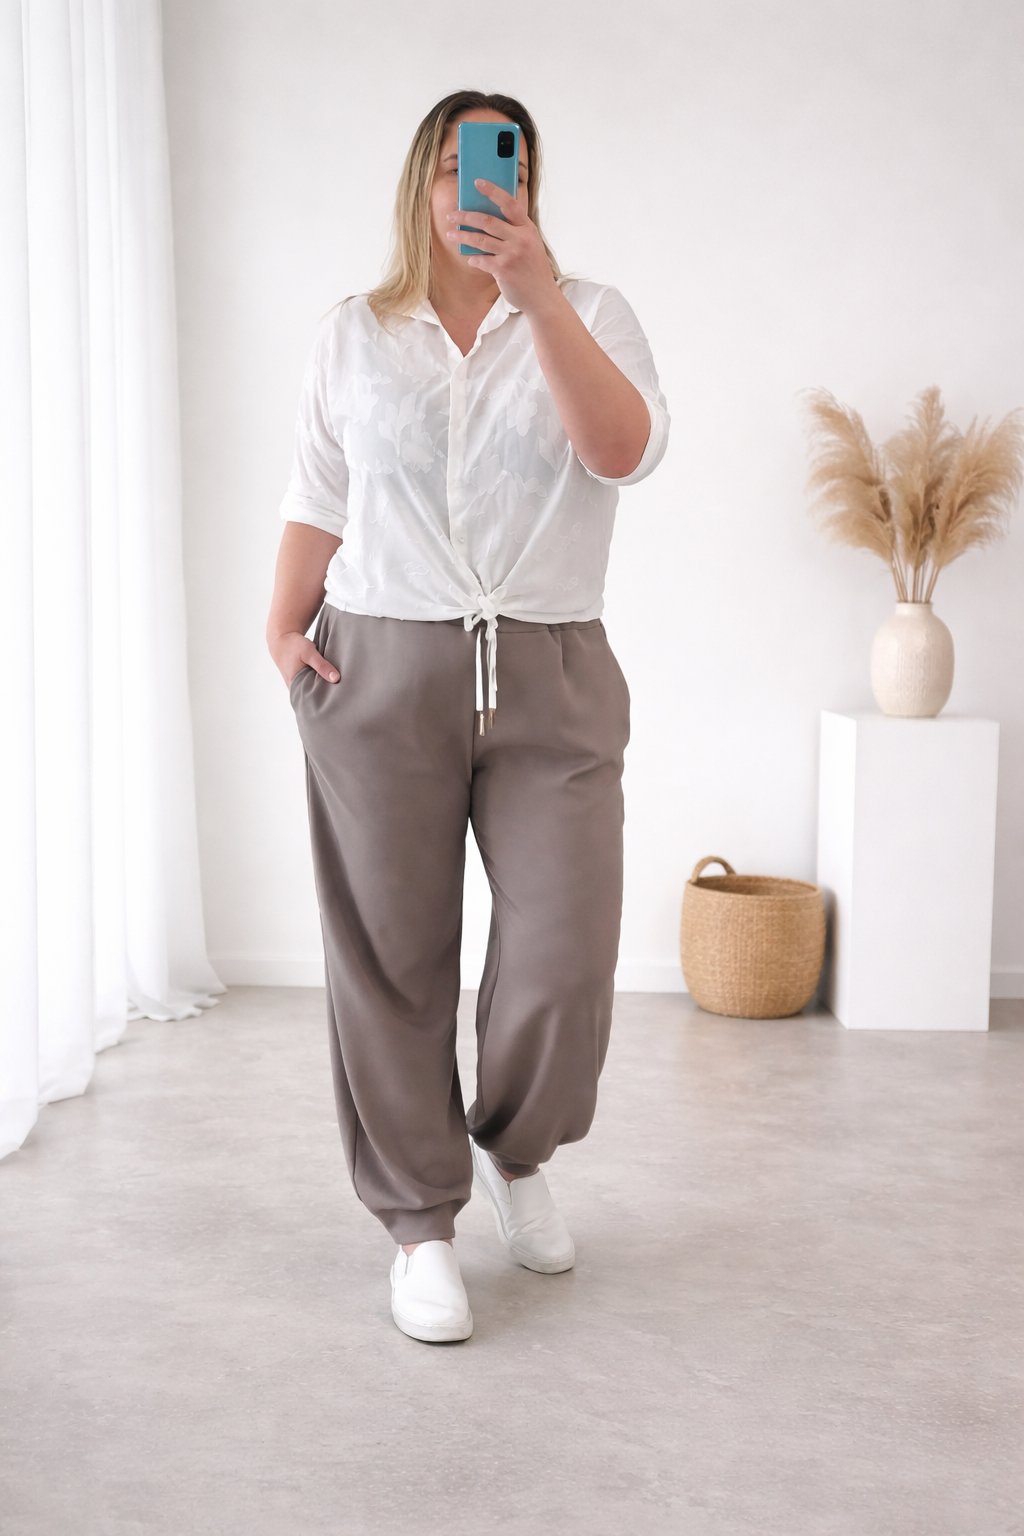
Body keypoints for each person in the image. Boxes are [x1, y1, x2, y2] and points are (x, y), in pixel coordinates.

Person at [266, 90, 670, 1345]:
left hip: (549, 665)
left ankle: (516, 1150)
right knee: (390, 958)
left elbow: (621, 452)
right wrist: (280, 628)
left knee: (563, 953)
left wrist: (535, 297)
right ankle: (418, 1225)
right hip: (378, 664)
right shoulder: (353, 332)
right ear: (420, 183)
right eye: (453, 167)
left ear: (530, 186)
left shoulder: (591, 311)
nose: (476, 190)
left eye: (503, 167)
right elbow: (317, 492)